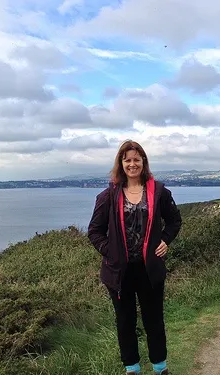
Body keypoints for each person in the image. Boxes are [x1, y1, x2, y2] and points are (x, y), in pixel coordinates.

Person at [88, 140, 182, 375]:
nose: (132, 164)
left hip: (149, 269)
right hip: (120, 271)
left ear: (143, 162)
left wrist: (165, 241)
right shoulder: (108, 195)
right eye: (127, 160)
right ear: (121, 163)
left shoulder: (158, 191)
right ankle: (132, 368)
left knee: (154, 321)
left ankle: (160, 367)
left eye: (136, 159)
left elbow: (174, 221)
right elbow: (94, 231)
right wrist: (110, 252)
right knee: (125, 321)